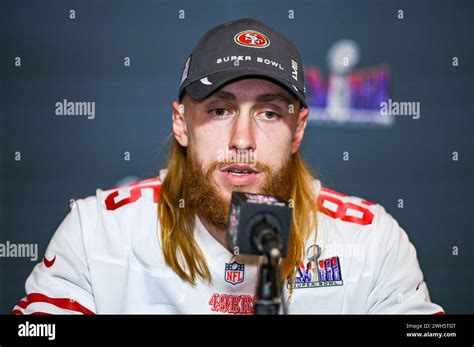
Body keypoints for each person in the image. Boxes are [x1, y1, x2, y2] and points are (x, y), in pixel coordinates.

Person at [13, 18, 444, 314]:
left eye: (269, 114)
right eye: (220, 110)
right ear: (182, 123)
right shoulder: (97, 234)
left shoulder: (371, 243)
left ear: (298, 131)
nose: (242, 140)